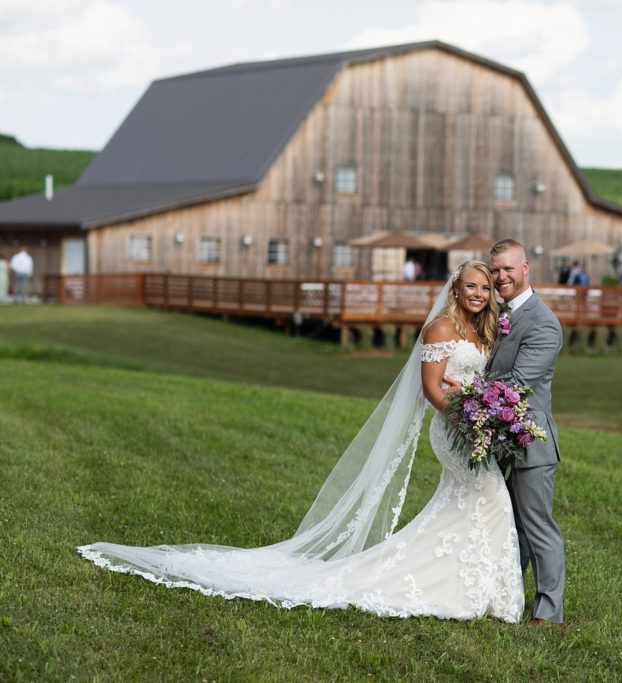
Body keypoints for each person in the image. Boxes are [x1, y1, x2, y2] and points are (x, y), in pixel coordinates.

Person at [78, 261, 525, 622]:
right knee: (491, 500)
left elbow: (473, 380)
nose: (479, 294)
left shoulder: (483, 330)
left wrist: (484, 413)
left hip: (474, 428)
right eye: (471, 286)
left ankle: (471, 588)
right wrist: (467, 421)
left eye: (485, 289)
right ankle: (466, 589)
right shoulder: (442, 330)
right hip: (454, 431)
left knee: (472, 504)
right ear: (455, 289)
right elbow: (432, 389)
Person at [481, 239, 565, 625]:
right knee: (505, 523)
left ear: (526, 268)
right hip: (498, 438)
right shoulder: (499, 313)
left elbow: (514, 384)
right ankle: (502, 592)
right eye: (495, 270)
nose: (500, 278)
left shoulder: (543, 322)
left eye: (508, 270)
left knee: (535, 526)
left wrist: (463, 394)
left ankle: (548, 611)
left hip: (530, 439)